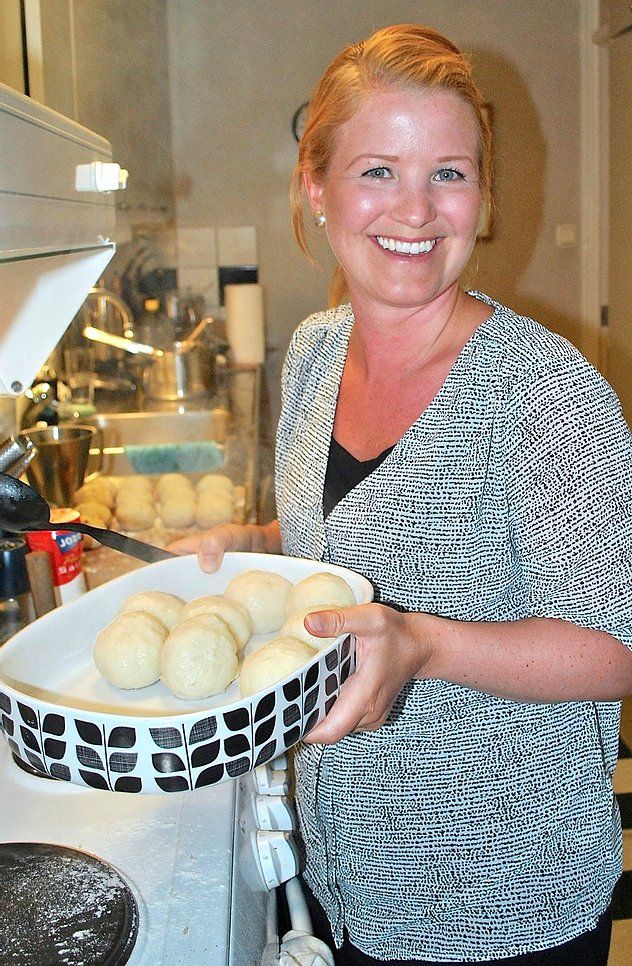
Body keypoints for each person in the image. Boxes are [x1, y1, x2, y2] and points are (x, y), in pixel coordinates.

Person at [170, 23, 632, 965]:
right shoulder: (312, 351)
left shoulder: (545, 392)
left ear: (484, 193)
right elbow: (339, 535)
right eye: (377, 170)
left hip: (501, 903)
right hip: (347, 877)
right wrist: (250, 541)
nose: (416, 210)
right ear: (316, 184)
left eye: (450, 174)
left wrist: (420, 644)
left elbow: (615, 647)